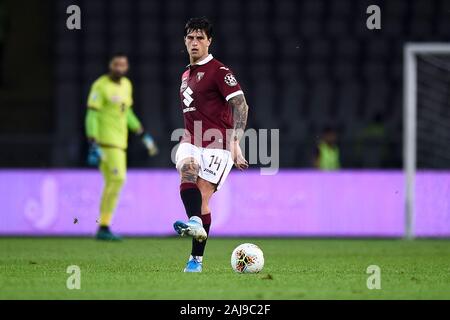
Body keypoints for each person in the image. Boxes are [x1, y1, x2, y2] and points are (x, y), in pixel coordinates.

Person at [173, 17, 249, 272]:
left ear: (209, 41)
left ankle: (196, 260)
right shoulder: (186, 74)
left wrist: (236, 143)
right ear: (185, 41)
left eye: (200, 38)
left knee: (203, 199)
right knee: (187, 168)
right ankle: (194, 221)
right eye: (190, 38)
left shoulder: (219, 71)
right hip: (191, 138)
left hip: (219, 143)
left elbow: (241, 105)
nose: (194, 43)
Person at [85, 53, 158, 241]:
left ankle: (103, 226)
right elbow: (92, 114)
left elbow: (127, 113)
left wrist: (142, 134)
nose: (119, 68)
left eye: (123, 65)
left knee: (113, 182)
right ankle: (103, 226)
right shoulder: (100, 86)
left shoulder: (126, 85)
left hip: (120, 143)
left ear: (126, 67)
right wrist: (92, 140)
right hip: (105, 142)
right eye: (116, 64)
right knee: (118, 179)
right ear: (110, 65)